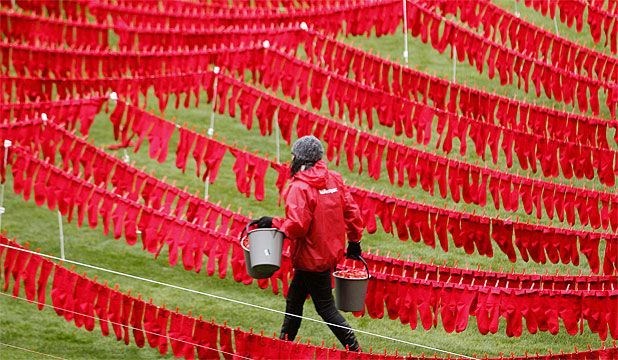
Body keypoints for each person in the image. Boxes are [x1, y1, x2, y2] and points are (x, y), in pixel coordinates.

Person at [254, 135, 364, 351]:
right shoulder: (334, 179)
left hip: (311, 258)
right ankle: (283, 345)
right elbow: (352, 211)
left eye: (293, 156)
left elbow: (297, 226)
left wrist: (273, 223)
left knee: (325, 307)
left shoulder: (299, 187)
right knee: (294, 300)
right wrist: (354, 241)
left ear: (300, 159)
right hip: (327, 253)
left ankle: (354, 348)